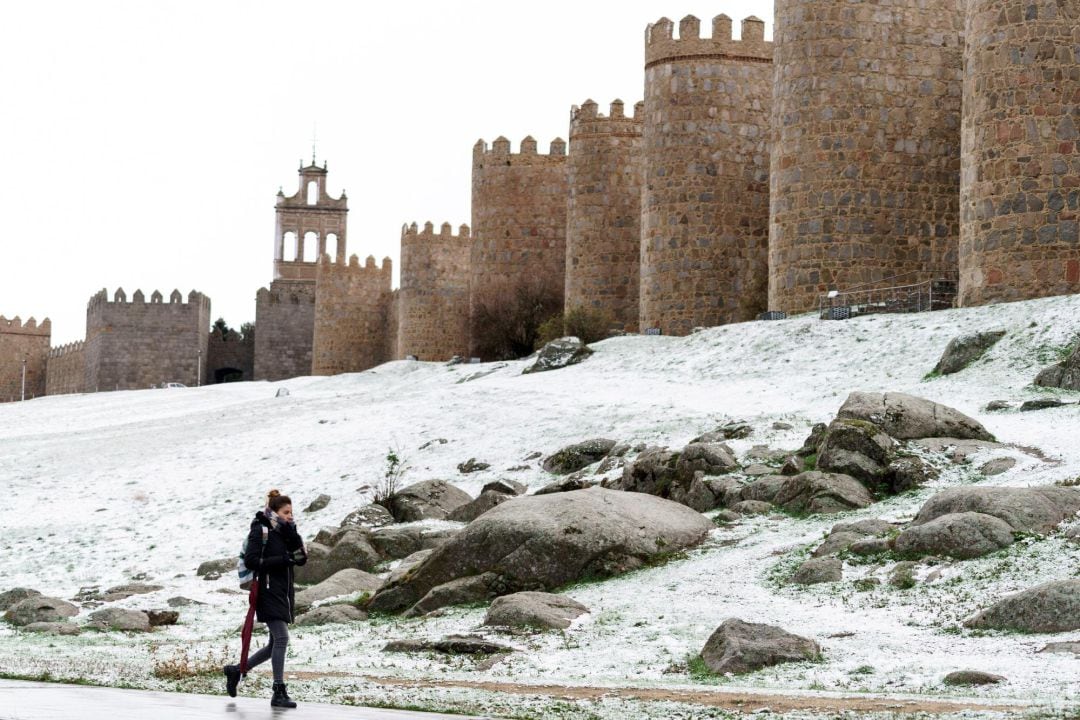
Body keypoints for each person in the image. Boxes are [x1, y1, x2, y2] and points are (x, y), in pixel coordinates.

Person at [224, 489, 307, 708]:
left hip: (283, 592)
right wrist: (283, 559)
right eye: (286, 512)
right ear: (274, 512)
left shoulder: (286, 532)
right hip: (267, 591)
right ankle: (278, 691)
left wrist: (293, 535)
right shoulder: (261, 529)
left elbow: (301, 559)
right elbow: (252, 560)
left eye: (291, 512)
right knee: (281, 639)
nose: (290, 515)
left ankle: (236, 671)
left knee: (273, 645)